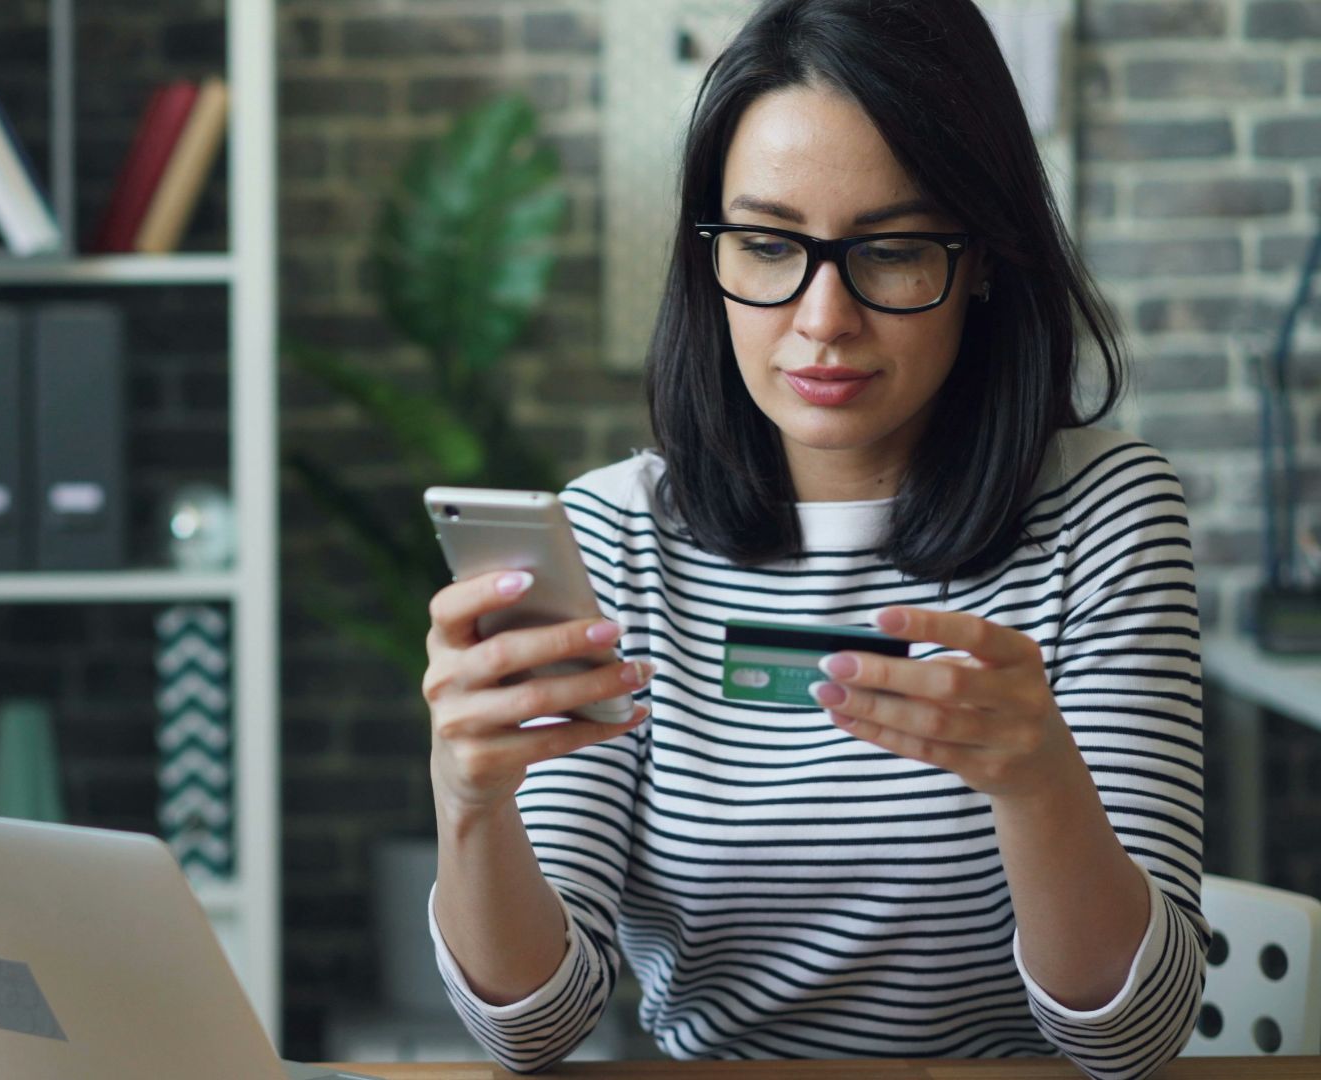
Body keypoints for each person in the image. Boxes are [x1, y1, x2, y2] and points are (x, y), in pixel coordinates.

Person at [419, 2, 1206, 1078]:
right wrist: (469, 803)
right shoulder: (613, 535)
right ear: (711, 257)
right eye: (768, 244)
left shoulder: (1108, 513)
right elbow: (533, 1029)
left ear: (982, 259)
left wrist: (1039, 785)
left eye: (888, 251)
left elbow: (1134, 1039)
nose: (823, 317)